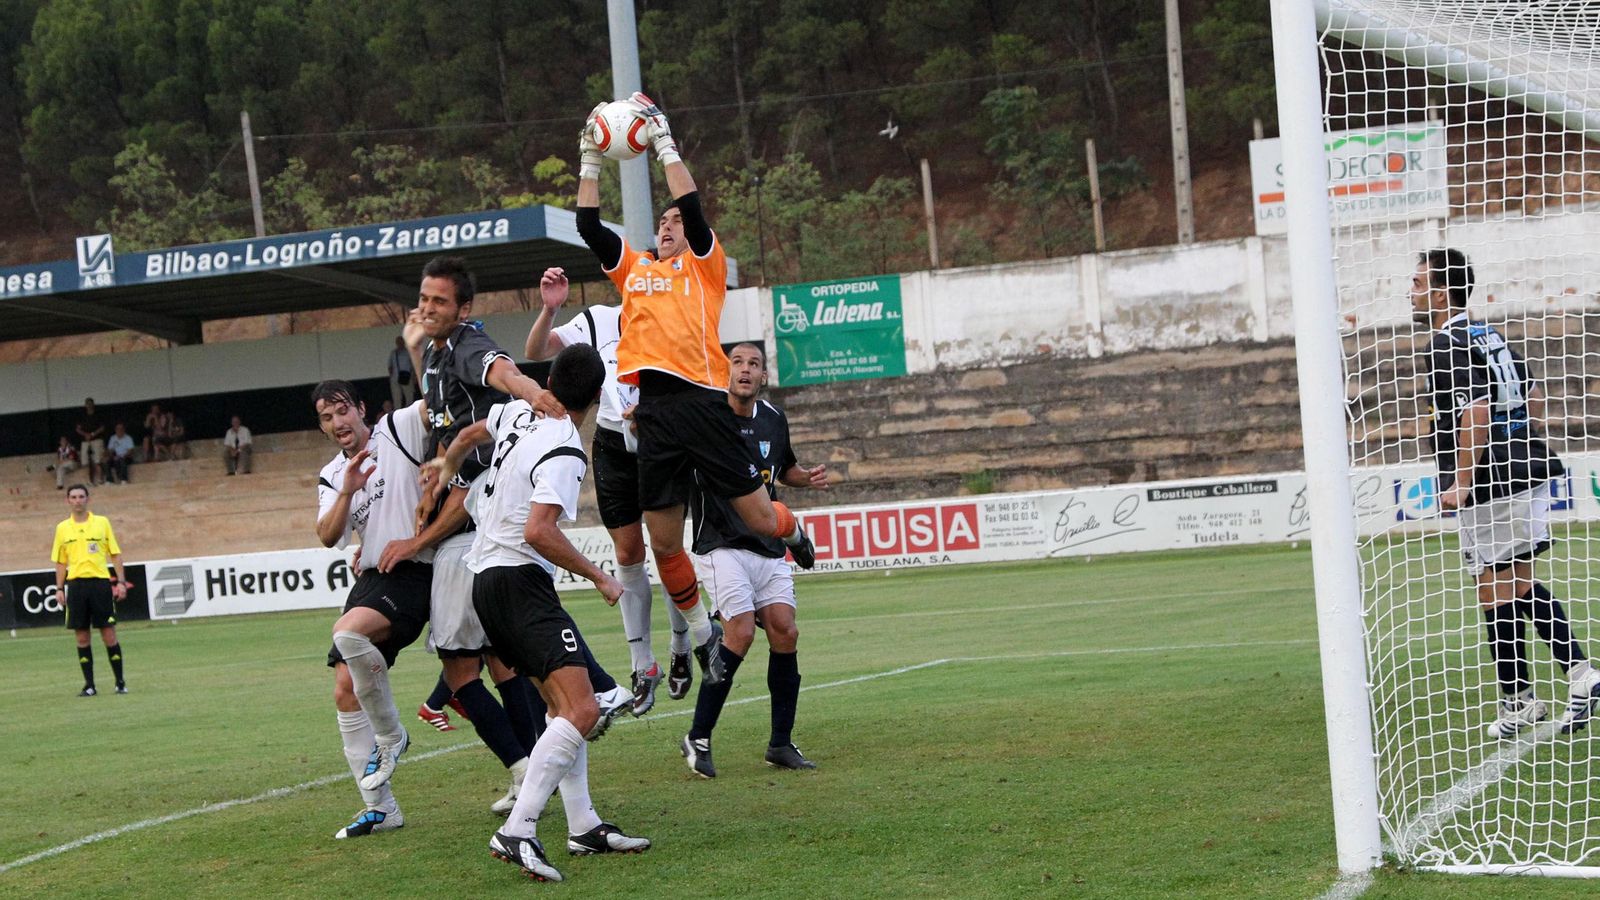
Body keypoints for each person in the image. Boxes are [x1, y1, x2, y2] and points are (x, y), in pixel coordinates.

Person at [574, 93, 815, 692]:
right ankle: (701, 636)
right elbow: (586, 225)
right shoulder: (635, 269)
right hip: (652, 413)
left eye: (676, 222)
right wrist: (589, 159)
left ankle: (795, 529)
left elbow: (691, 203)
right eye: (662, 223)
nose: (669, 225)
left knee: (759, 515)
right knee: (662, 544)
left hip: (704, 405)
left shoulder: (704, 267)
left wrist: (662, 144)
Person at [403, 255, 633, 777]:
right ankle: (548, 767)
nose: (428, 308)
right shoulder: (438, 356)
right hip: (475, 504)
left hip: (486, 513)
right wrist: (441, 470)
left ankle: (571, 720)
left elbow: (504, 371)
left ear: (464, 309)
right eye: (424, 298)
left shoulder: (470, 346)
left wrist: (535, 393)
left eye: (440, 301)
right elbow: (458, 433)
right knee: (515, 660)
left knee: (488, 655)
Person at [434, 344, 649, 883]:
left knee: (562, 708)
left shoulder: (517, 411)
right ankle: (519, 831)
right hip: (517, 581)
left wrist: (444, 474)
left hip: (487, 579)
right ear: (599, 395)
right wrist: (599, 576)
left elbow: (463, 437)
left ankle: (583, 825)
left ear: (549, 380)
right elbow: (539, 531)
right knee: (584, 710)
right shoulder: (567, 449)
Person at [1412, 248, 1600, 738]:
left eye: (1416, 284)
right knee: (1507, 585)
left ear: (1439, 291)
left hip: (1492, 477)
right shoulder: (1485, 333)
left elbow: (1473, 412)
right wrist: (1516, 440)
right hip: (1526, 464)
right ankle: (1524, 699)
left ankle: (1578, 677)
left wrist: (1462, 481)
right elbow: (1532, 396)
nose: (1409, 292)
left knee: (1496, 586)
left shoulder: (1446, 343)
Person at [524, 266, 689, 714]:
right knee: (629, 554)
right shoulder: (596, 320)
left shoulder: (675, 324)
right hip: (614, 445)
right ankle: (643, 664)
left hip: (659, 441)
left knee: (668, 549)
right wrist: (550, 309)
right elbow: (537, 350)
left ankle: (681, 643)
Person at [681, 342, 829, 777]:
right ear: (725, 372)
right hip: (720, 543)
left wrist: (806, 479)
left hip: (767, 546)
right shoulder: (707, 419)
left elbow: (782, 472)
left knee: (785, 630)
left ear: (763, 376)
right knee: (741, 632)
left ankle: (780, 744)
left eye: (754, 364)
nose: (745, 370)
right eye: (737, 363)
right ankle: (698, 736)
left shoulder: (773, 419)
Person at [312, 380, 433, 839]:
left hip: (415, 569)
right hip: (373, 578)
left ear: (361, 409)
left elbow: (435, 406)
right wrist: (348, 490)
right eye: (327, 418)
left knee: (347, 633)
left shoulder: (396, 429)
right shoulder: (331, 474)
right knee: (344, 689)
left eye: (343, 410)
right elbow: (327, 535)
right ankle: (380, 808)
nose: (338, 423)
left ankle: (392, 735)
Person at [52, 484, 131, 696]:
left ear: (88, 499)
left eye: (81, 496)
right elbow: (60, 562)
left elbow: (114, 554)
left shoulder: (101, 523)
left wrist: (121, 582)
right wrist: (59, 588)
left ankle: (120, 682)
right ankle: (89, 685)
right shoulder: (62, 528)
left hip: (100, 584)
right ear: (67, 501)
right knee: (82, 637)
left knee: (108, 635)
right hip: (76, 586)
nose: (78, 500)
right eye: (73, 497)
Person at [75, 398, 106, 485]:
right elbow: (77, 429)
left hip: (97, 439)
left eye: (90, 403)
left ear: (93, 404)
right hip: (85, 441)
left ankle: (100, 480)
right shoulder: (82, 415)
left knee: (98, 460)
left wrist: (92, 434)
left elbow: (102, 428)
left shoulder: (98, 414)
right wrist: (85, 434)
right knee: (85, 462)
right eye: (87, 403)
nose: (89, 405)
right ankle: (88, 481)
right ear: (85, 405)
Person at [389, 335, 417, 410]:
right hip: (395, 378)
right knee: (397, 399)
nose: (399, 343)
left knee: (409, 397)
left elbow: (413, 365)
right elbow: (390, 366)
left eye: (401, 341)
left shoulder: (408, 352)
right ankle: (398, 414)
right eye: (398, 342)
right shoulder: (393, 353)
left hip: (407, 376)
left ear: (403, 342)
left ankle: (409, 412)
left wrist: (414, 376)